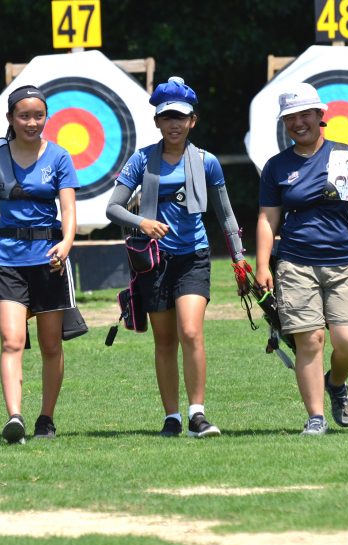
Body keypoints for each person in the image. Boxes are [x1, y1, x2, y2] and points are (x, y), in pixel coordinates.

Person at [106, 76, 248, 438]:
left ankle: (197, 414)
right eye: (167, 116)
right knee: (164, 340)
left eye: (181, 117)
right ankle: (172, 416)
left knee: (190, 331)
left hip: (194, 257)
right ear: (157, 121)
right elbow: (113, 209)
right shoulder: (141, 161)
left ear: (192, 121)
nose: (174, 124)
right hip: (153, 262)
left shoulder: (206, 161)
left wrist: (238, 259)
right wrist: (144, 223)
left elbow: (226, 215)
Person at [255, 82, 348, 436]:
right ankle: (315, 417)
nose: (298, 123)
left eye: (305, 115)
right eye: (290, 118)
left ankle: (336, 383)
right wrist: (261, 265)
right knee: (311, 339)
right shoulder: (275, 167)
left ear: (321, 116)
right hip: (295, 265)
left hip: (342, 263)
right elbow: (267, 219)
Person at [0, 84, 80, 444]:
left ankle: (46, 420)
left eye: (38, 115)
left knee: (51, 345)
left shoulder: (59, 157)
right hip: (7, 260)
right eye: (24, 115)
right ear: (10, 118)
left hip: (50, 260)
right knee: (11, 340)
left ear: (46, 118)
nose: (32, 122)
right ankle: (15, 417)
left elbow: (68, 209)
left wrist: (66, 243)